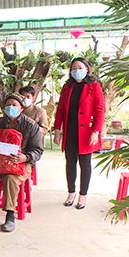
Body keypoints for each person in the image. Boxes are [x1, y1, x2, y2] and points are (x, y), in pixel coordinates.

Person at [0, 93, 43, 232]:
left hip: (21, 163)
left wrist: (25, 157)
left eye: (14, 105)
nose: (10, 107)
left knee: (11, 179)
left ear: (21, 108)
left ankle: (10, 214)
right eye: (8, 105)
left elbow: (38, 150)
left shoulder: (31, 126)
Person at [53, 57, 104, 210]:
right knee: (70, 163)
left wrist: (96, 131)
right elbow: (60, 110)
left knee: (85, 164)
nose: (76, 70)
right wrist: (57, 131)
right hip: (70, 131)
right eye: (74, 68)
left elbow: (100, 110)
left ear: (87, 69)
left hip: (86, 132)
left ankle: (83, 195)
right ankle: (71, 192)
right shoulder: (67, 87)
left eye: (80, 67)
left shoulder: (94, 86)